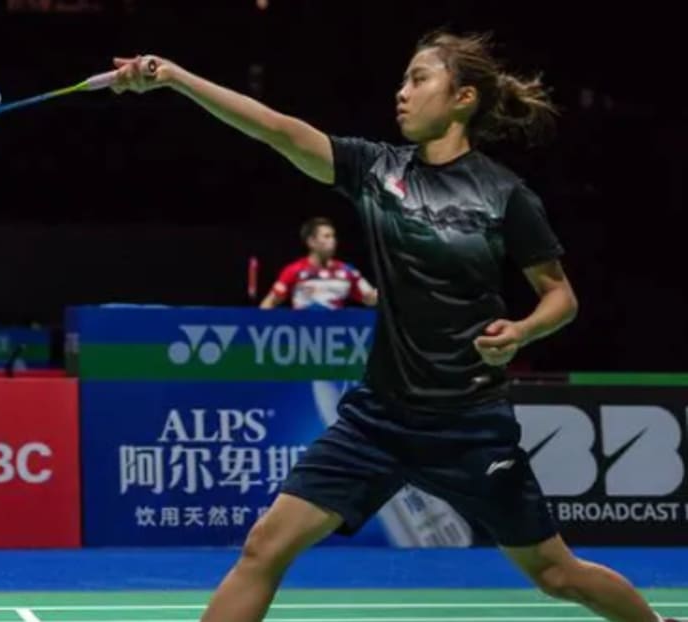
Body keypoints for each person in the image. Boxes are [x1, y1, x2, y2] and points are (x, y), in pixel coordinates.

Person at [111, 31, 677, 622]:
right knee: (264, 548)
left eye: (418, 79)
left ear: (463, 98)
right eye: (404, 80)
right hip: (377, 419)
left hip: (469, 425)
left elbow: (560, 295)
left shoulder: (505, 195)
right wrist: (176, 77)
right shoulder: (374, 169)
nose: (401, 93)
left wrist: (522, 331)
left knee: (558, 575)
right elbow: (277, 128)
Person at [260, 216, 378, 309]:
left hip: (335, 334)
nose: (332, 241)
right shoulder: (294, 270)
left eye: (333, 236)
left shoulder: (348, 271)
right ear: (311, 242)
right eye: (326, 237)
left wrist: (375, 296)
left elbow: (371, 299)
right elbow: (270, 302)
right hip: (303, 333)